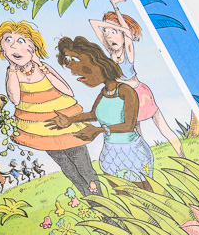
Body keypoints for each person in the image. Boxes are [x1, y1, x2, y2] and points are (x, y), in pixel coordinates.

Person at [0, 20, 100, 195]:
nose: (14, 47)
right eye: (8, 42)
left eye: (20, 41)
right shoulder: (12, 74)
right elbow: (15, 100)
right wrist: (12, 70)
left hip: (65, 124)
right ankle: (91, 200)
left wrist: (42, 66)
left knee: (84, 166)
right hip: (42, 130)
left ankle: (101, 199)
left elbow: (68, 91)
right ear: (3, 51)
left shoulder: (42, 67)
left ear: (32, 46)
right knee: (69, 170)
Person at [48, 37, 154, 189]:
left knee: (144, 194)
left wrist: (99, 130)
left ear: (98, 63)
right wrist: (70, 120)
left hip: (132, 151)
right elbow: (93, 114)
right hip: (110, 153)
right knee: (122, 196)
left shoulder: (126, 91)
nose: (78, 77)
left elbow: (128, 126)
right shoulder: (104, 92)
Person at [90, 0, 185, 157]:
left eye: (114, 32)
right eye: (106, 32)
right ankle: (147, 162)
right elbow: (93, 23)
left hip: (141, 93)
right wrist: (110, 26)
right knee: (137, 134)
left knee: (163, 127)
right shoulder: (110, 51)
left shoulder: (128, 50)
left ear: (122, 34)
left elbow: (127, 32)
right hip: (126, 98)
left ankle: (183, 158)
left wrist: (116, 9)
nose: (108, 35)